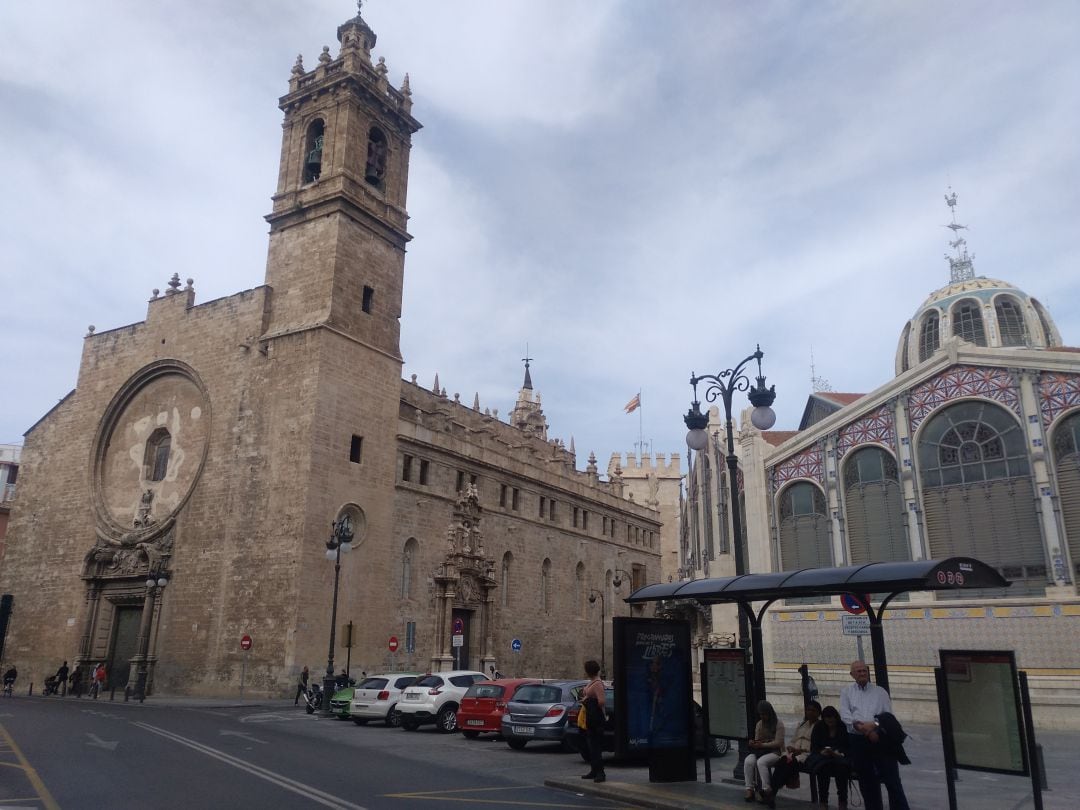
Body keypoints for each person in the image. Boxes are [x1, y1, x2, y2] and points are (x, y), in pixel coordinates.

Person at [840, 660, 910, 810]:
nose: (862, 673)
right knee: (867, 783)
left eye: (864, 670)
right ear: (852, 674)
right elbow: (845, 715)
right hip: (858, 741)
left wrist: (874, 727)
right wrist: (863, 728)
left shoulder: (880, 692)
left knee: (892, 781)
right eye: (858, 671)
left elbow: (888, 716)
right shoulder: (846, 692)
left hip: (881, 740)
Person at [769, 701, 821, 802]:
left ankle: (771, 791)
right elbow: (794, 740)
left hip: (807, 755)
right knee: (782, 761)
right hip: (793, 753)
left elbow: (817, 747)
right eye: (808, 710)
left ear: (818, 713)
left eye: (813, 710)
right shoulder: (802, 724)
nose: (810, 712)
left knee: (789, 764)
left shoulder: (820, 726)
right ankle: (772, 791)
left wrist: (800, 751)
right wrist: (790, 747)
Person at [808, 705, 852, 809]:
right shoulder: (819, 727)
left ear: (836, 719)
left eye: (832, 722)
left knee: (842, 769)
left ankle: (842, 801)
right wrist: (822, 751)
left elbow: (848, 746)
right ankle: (823, 801)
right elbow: (814, 746)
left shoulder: (842, 727)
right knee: (822, 769)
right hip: (824, 758)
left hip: (839, 758)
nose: (830, 725)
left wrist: (838, 753)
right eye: (828, 722)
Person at [744, 700, 785, 805]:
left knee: (761, 762)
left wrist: (763, 744)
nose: (763, 717)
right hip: (761, 751)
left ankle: (767, 790)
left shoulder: (778, 724)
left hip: (775, 752)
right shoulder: (759, 724)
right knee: (748, 761)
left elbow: (778, 743)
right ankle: (749, 789)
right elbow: (758, 740)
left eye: (764, 714)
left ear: (769, 713)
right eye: (761, 714)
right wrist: (754, 743)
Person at [580, 659, 607, 783]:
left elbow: (601, 701)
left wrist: (588, 700)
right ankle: (594, 770)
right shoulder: (592, 682)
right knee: (591, 745)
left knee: (596, 747)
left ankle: (600, 773)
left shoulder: (598, 684)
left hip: (596, 718)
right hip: (590, 717)